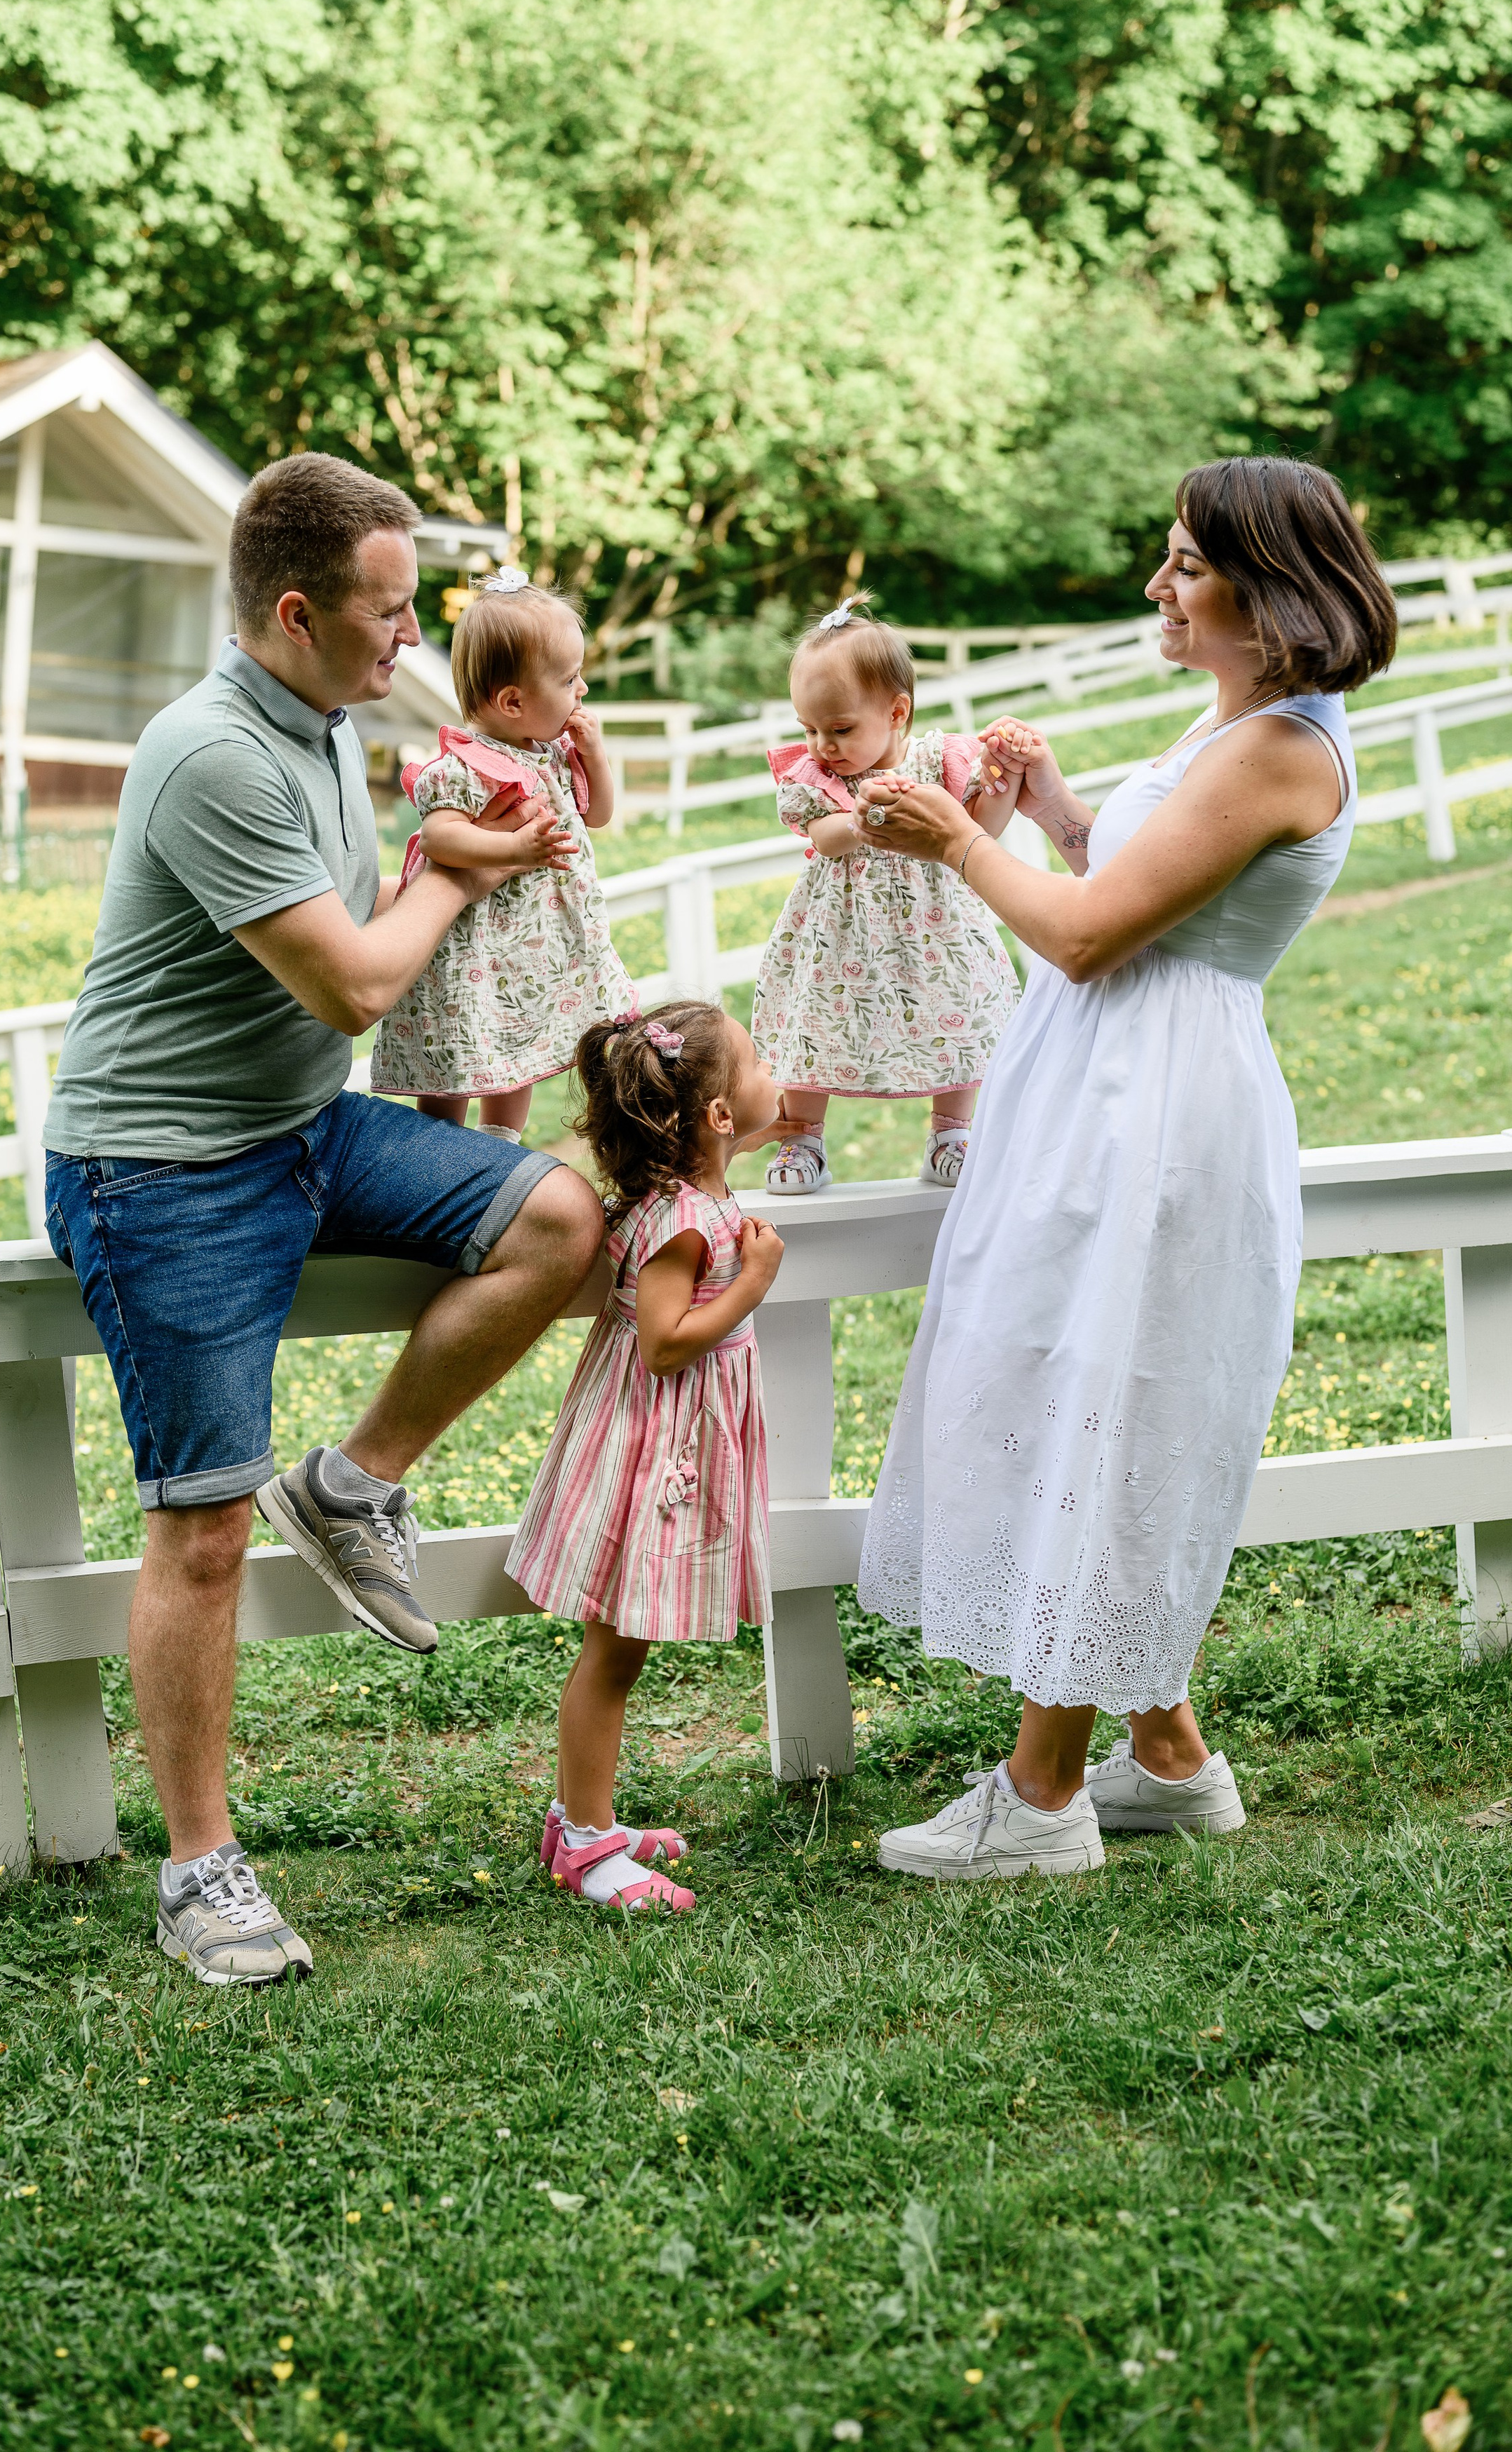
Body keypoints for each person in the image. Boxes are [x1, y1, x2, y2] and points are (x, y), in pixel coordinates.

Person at [42, 454, 606, 1983]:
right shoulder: (211, 752)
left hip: (302, 1130)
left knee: (563, 1222)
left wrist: (508, 819)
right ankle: (199, 1871)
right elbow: (357, 980)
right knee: (203, 1526)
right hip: (158, 1169)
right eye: (389, 612)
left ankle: (355, 1484)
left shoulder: (324, 720)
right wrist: (438, 863)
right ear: (294, 614)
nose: (411, 641)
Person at [852, 456, 1394, 1881]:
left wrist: (958, 837)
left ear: (1264, 591)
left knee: (1113, 1398)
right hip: (1104, 1086)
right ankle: (1164, 1758)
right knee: (1074, 1382)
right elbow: (1124, 885)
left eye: (1182, 565)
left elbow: (1091, 937)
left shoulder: (1284, 749)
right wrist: (1050, 813)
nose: (1157, 587)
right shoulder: (1233, 729)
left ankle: (1039, 1803)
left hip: (1159, 1109)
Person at [503, 1003, 789, 1909]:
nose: (768, 1066)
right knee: (615, 1649)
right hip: (647, 1458)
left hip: (660, 1447)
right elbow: (665, 1343)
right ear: (719, 1116)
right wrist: (751, 1285)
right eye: (752, 1059)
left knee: (618, 1647)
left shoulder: (686, 1204)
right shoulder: (686, 1220)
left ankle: (580, 1821)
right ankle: (585, 1845)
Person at [751, 596, 1023, 1197]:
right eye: (810, 729)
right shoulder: (818, 777)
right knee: (816, 1021)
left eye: (840, 728)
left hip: (936, 924)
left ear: (896, 711)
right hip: (839, 929)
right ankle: (804, 1138)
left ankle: (951, 1133)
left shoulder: (938, 760)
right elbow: (822, 836)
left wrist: (1005, 777)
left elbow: (983, 825)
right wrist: (863, 816)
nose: (823, 744)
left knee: (957, 1011)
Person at [370, 565, 635, 1134]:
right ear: (513, 701)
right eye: (569, 680)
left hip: (534, 951)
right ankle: (439, 1148)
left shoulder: (555, 755)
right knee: (463, 1047)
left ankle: (502, 1144)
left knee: (517, 1059)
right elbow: (443, 836)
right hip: (475, 950)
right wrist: (513, 845)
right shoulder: (465, 766)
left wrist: (597, 757)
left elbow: (600, 814)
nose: (581, 690)